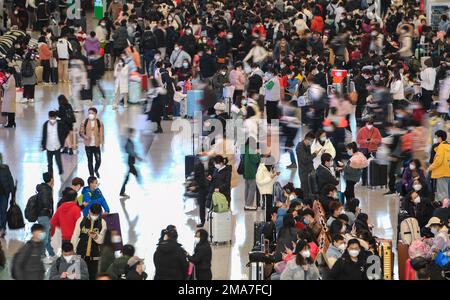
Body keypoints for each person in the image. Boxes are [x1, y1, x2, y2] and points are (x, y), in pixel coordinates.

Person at [71, 203, 107, 280]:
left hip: (94, 258)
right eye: (93, 213)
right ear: (89, 211)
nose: (94, 216)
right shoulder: (81, 220)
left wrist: (95, 236)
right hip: (80, 255)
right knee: (79, 277)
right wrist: (72, 250)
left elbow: (101, 240)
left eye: (96, 214)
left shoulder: (102, 222)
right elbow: (75, 236)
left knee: (92, 277)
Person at [36, 172, 56, 263]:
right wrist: (49, 209)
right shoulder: (46, 190)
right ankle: (42, 256)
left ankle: (52, 254)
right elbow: (45, 203)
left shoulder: (44, 188)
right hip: (44, 216)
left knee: (47, 237)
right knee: (44, 237)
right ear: (51, 179)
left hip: (43, 216)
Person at [79, 107, 104, 178]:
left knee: (98, 160)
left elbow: (101, 134)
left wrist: (102, 144)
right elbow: (80, 132)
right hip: (88, 145)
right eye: (89, 113)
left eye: (92, 113)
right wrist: (85, 136)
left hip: (96, 145)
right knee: (90, 161)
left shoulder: (99, 122)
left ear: (95, 114)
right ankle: (92, 175)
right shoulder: (85, 122)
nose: (90, 115)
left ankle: (96, 170)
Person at [296, 131, 321, 198]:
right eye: (311, 141)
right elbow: (305, 160)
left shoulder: (307, 145)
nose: (312, 142)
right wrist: (314, 154)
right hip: (304, 172)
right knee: (305, 190)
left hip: (310, 170)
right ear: (307, 139)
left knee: (311, 189)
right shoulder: (300, 147)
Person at [41, 111, 67, 175]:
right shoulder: (45, 124)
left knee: (58, 160)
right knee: (49, 163)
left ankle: (60, 170)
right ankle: (50, 174)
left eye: (54, 118)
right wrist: (43, 145)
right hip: (48, 146)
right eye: (51, 118)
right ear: (48, 117)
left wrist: (62, 141)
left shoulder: (60, 124)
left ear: (56, 118)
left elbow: (66, 131)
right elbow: (44, 135)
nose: (52, 120)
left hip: (57, 146)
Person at [120, 128, 143, 199]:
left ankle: (122, 191)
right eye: (132, 133)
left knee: (128, 177)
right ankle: (143, 187)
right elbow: (131, 152)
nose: (133, 134)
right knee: (135, 175)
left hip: (130, 162)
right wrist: (138, 157)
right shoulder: (129, 142)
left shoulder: (129, 141)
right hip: (130, 162)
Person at [427, 130, 450, 201]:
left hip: (441, 173)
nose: (436, 139)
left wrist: (429, 168)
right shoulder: (448, 146)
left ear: (440, 138)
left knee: (442, 194)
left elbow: (438, 161)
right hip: (448, 173)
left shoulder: (441, 147)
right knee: (447, 192)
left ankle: (444, 210)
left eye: (436, 137)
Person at [243, 139, 261, 210]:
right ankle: (249, 204)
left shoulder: (244, 148)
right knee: (252, 188)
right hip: (251, 171)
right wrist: (258, 154)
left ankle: (246, 203)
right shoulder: (251, 150)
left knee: (247, 187)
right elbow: (255, 160)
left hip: (245, 171)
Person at [0, 153, 14, 238]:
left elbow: (10, 180)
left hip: (4, 194)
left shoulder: (5, 168)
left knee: (3, 211)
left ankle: (3, 228)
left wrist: (13, 194)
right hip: (4, 194)